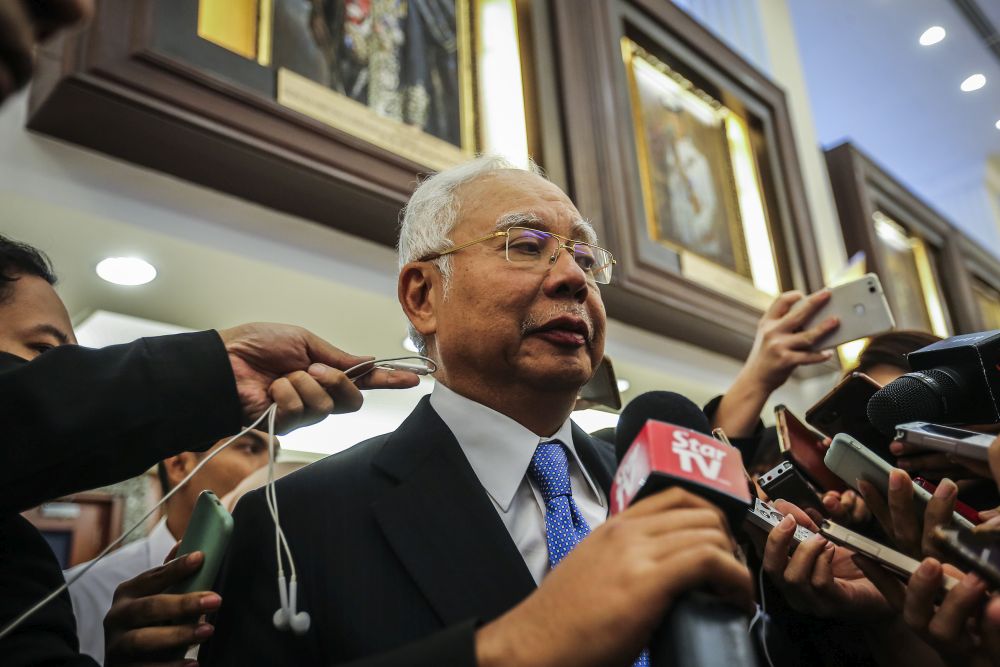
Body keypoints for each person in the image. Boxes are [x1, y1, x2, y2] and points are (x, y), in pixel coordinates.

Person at [201, 155, 752, 666]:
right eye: (527, 245)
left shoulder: (650, 481)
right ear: (422, 296)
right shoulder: (293, 521)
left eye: (584, 257)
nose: (574, 278)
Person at [0, 234, 421, 666]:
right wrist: (217, 373)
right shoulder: (76, 586)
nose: (69, 378)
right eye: (45, 351)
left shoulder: (17, 558)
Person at [65, 430, 276, 663]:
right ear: (179, 464)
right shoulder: (78, 593)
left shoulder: (276, 591)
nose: (272, 470)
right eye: (250, 448)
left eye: (275, 456)